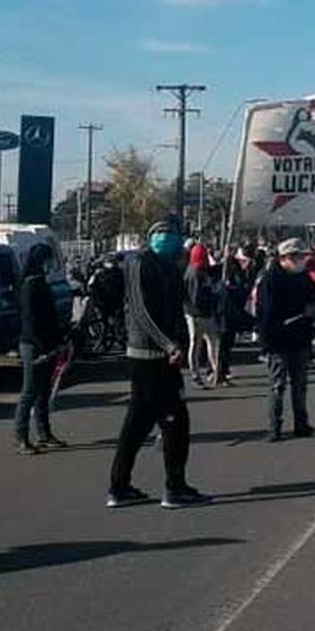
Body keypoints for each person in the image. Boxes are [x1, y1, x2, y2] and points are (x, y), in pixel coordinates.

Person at [108, 217, 208, 509]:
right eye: (161, 232)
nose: (167, 237)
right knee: (172, 422)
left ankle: (121, 486)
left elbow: (181, 302)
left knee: (141, 424)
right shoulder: (140, 263)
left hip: (167, 356)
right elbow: (140, 310)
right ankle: (173, 489)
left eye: (172, 233)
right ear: (150, 236)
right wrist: (167, 343)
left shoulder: (171, 265)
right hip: (147, 356)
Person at [255, 239, 315, 442]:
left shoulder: (304, 278)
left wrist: (313, 310)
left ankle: (302, 425)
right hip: (278, 342)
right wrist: (266, 345)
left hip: (300, 340)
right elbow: (265, 314)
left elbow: (313, 299)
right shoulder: (270, 280)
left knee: (300, 386)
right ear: (283, 259)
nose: (301, 260)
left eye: (302, 256)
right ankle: (274, 428)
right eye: (296, 257)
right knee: (277, 386)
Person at [15, 242, 68, 454]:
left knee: (44, 392)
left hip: (48, 345)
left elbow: (49, 319)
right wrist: (42, 348)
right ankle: (21, 437)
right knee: (29, 391)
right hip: (33, 346)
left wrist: (59, 340)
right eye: (48, 260)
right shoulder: (30, 285)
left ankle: (44, 433)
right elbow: (31, 322)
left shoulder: (41, 283)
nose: (50, 265)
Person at [183, 242, 222, 388]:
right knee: (196, 344)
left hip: (206, 313)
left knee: (213, 343)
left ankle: (215, 372)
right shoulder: (193, 274)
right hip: (196, 314)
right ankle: (195, 374)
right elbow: (195, 298)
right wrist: (214, 293)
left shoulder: (202, 271)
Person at [218, 244, 257, 385]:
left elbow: (243, 285)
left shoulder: (239, 268)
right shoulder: (225, 267)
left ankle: (223, 369)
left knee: (227, 342)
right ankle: (219, 371)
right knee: (223, 343)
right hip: (226, 311)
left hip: (233, 310)